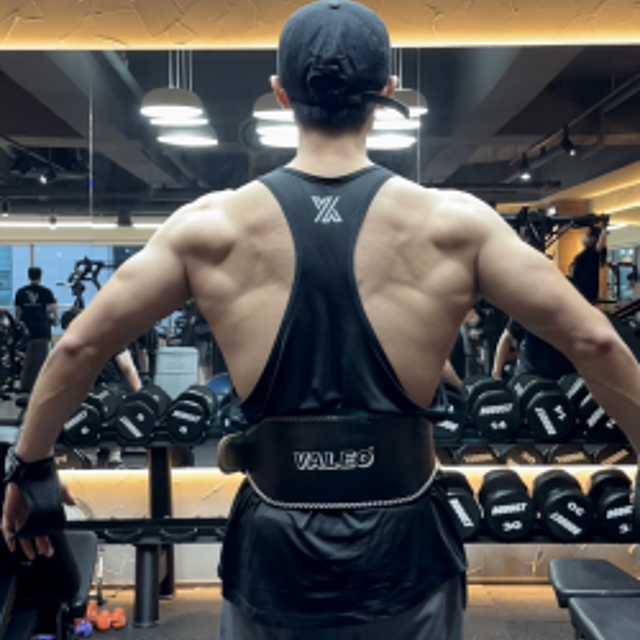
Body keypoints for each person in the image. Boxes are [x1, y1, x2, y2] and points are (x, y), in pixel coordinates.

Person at [3, 2, 640, 639]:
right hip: (406, 548)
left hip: (274, 549)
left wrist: (30, 468)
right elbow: (593, 338)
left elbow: (79, 347)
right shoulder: (454, 223)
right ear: (388, 92)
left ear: (281, 95)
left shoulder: (210, 227)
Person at [61, 308, 142, 468]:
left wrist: (140, 395)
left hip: (115, 389)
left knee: (106, 413)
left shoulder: (109, 338)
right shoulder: (74, 345)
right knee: (85, 412)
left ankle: (114, 457)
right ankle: (90, 455)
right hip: (91, 390)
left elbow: (127, 367)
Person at [14, 267, 57, 392]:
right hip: (41, 325)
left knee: (24, 353)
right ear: (40, 276)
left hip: (26, 325)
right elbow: (52, 309)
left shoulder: (21, 292)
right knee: (44, 353)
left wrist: (18, 324)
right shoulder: (46, 291)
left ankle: (25, 380)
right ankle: (44, 381)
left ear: (29, 276)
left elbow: (17, 311)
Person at [492, 317, 575, 381]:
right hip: (529, 372)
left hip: (564, 372)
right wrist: (497, 373)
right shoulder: (528, 308)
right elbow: (506, 338)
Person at [570, 223, 608, 304]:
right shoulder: (584, 253)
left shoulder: (593, 253)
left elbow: (600, 245)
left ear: (594, 239)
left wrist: (604, 228)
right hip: (578, 292)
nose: (584, 237)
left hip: (587, 295)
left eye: (587, 235)